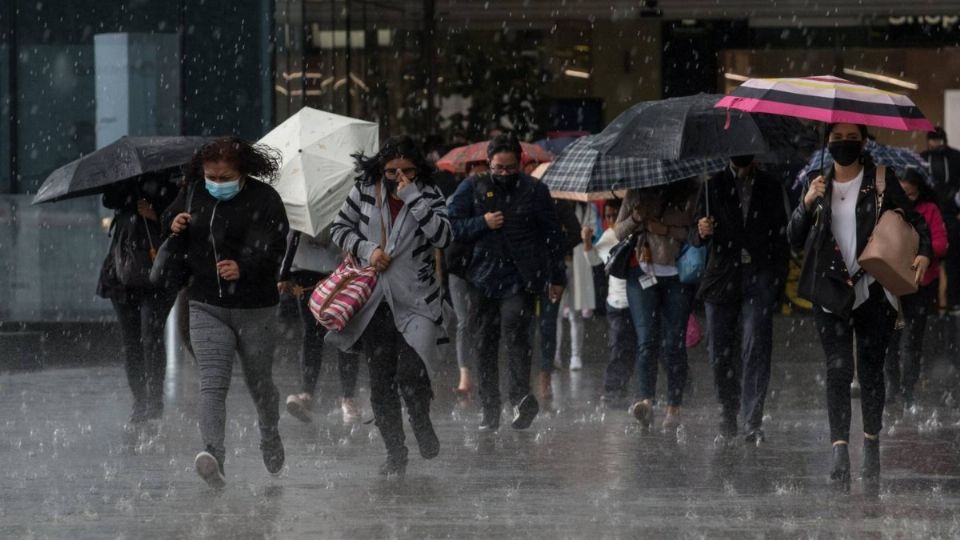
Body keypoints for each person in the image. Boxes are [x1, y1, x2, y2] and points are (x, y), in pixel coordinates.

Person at [788, 123, 931, 486]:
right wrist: (806, 203)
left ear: (864, 142)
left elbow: (916, 222)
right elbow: (793, 238)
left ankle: (870, 442)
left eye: (851, 138)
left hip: (872, 291)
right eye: (837, 139)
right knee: (837, 370)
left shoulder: (881, 180)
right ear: (827, 143)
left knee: (870, 372)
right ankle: (839, 450)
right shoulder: (817, 184)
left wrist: (925, 254)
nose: (844, 145)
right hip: (831, 293)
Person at [163, 137, 290, 487]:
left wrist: (245, 267)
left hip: (256, 308)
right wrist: (173, 222)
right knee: (212, 383)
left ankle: (269, 433)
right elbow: (168, 219)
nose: (217, 183)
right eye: (211, 176)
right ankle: (214, 456)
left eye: (225, 176)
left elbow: (277, 247)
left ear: (242, 171)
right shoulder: (193, 192)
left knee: (259, 383)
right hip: (206, 304)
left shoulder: (265, 199)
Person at [328, 136, 451, 476]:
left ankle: (421, 420)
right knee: (381, 382)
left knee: (412, 373)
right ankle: (395, 452)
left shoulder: (429, 193)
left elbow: (443, 236)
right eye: (391, 171)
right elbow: (339, 228)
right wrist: (367, 250)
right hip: (373, 301)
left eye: (407, 171)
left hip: (418, 300)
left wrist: (413, 198)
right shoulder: (365, 190)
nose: (399, 178)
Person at [448, 133, 567, 431]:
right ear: (488, 163)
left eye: (510, 168)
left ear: (521, 163)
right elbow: (451, 225)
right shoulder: (472, 186)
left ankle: (519, 400)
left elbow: (553, 235)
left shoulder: (535, 190)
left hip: (522, 277)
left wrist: (557, 277)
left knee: (516, 333)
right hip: (481, 276)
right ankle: (490, 407)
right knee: (484, 341)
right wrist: (482, 223)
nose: (503, 174)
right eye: (498, 168)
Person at [694, 155, 790, 445]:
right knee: (719, 350)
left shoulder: (771, 186)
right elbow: (694, 237)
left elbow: (781, 237)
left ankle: (752, 421)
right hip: (722, 278)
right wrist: (701, 231)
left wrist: (776, 283)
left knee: (756, 345)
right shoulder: (712, 186)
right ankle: (727, 413)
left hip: (759, 276)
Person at [614, 179, 699, 431]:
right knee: (647, 341)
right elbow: (618, 231)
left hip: (679, 274)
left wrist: (662, 228)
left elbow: (697, 233)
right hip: (641, 273)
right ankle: (646, 401)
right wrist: (637, 219)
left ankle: (674, 405)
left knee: (674, 342)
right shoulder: (637, 190)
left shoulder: (693, 192)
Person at [97, 172, 179, 425]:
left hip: (158, 273)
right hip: (123, 273)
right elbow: (109, 199)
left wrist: (156, 215)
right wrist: (131, 192)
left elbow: (183, 223)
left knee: (151, 335)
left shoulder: (171, 186)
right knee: (131, 340)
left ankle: (154, 401)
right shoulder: (123, 183)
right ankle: (140, 401)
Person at [278, 228, 362, 423]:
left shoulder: (346, 201)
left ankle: (348, 397)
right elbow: (293, 234)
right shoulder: (301, 203)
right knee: (312, 332)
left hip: (339, 270)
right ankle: (308, 393)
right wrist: (284, 273)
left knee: (343, 330)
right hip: (305, 271)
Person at [884, 167, 948, 408]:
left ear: (919, 191)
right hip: (893, 282)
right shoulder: (889, 209)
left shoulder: (929, 210)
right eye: (902, 192)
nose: (906, 197)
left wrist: (922, 251)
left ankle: (908, 387)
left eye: (910, 193)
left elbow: (941, 244)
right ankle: (892, 385)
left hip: (922, 283)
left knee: (912, 340)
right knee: (890, 339)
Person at [596, 199, 637, 406]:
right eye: (608, 216)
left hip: (640, 298)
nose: (611, 220)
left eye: (615, 215)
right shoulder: (608, 237)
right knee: (619, 345)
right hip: (618, 301)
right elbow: (604, 262)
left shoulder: (637, 231)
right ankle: (614, 390)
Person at [555, 201, 598, 371]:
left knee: (576, 312)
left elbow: (593, 233)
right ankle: (555, 354)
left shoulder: (586, 207)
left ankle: (575, 355)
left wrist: (585, 235)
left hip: (577, 263)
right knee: (555, 314)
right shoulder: (553, 206)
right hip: (558, 263)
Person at [921, 128, 960, 315]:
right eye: (933, 140)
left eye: (938, 140)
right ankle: (933, 302)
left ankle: (953, 301)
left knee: (953, 259)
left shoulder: (955, 158)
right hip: (930, 212)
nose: (936, 144)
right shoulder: (922, 158)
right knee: (929, 256)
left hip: (951, 213)